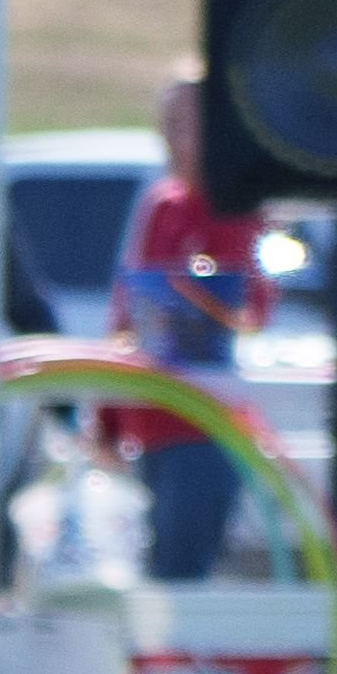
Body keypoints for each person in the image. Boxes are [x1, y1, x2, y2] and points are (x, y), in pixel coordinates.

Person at [104, 65, 272, 581]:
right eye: (171, 124)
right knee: (148, 571)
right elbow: (128, 306)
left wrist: (200, 298)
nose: (180, 138)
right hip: (151, 420)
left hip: (206, 422)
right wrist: (108, 414)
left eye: (194, 123)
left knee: (183, 574)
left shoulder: (243, 207)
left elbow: (254, 310)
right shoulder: (163, 203)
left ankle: (177, 661)